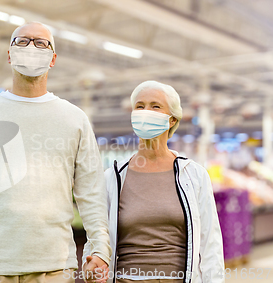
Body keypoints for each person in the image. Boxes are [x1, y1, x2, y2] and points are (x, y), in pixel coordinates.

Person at [0, 22, 111, 283]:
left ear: (53, 58)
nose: (31, 47)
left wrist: (100, 248)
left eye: (41, 42)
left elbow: (92, 191)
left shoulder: (74, 118)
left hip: (54, 267)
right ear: (9, 55)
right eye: (22, 41)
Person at [83, 81, 225, 283]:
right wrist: (91, 266)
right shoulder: (113, 177)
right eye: (139, 106)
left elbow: (210, 244)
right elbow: (96, 234)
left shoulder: (194, 175)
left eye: (155, 106)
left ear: (172, 119)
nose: (145, 111)